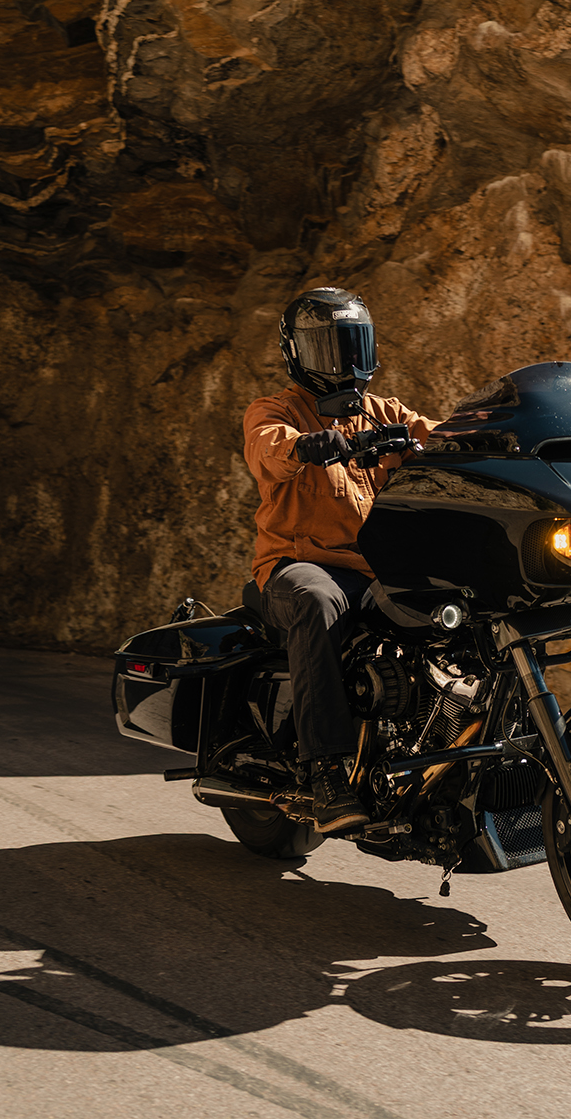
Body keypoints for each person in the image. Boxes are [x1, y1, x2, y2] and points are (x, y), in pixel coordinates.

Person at [242, 288, 438, 833]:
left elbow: (439, 434)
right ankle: (324, 769)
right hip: (296, 565)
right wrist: (308, 445)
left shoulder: (383, 412)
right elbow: (268, 447)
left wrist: (492, 435)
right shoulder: (275, 411)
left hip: (375, 569)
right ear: (296, 353)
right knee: (319, 599)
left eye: (352, 346)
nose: (343, 362)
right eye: (327, 348)